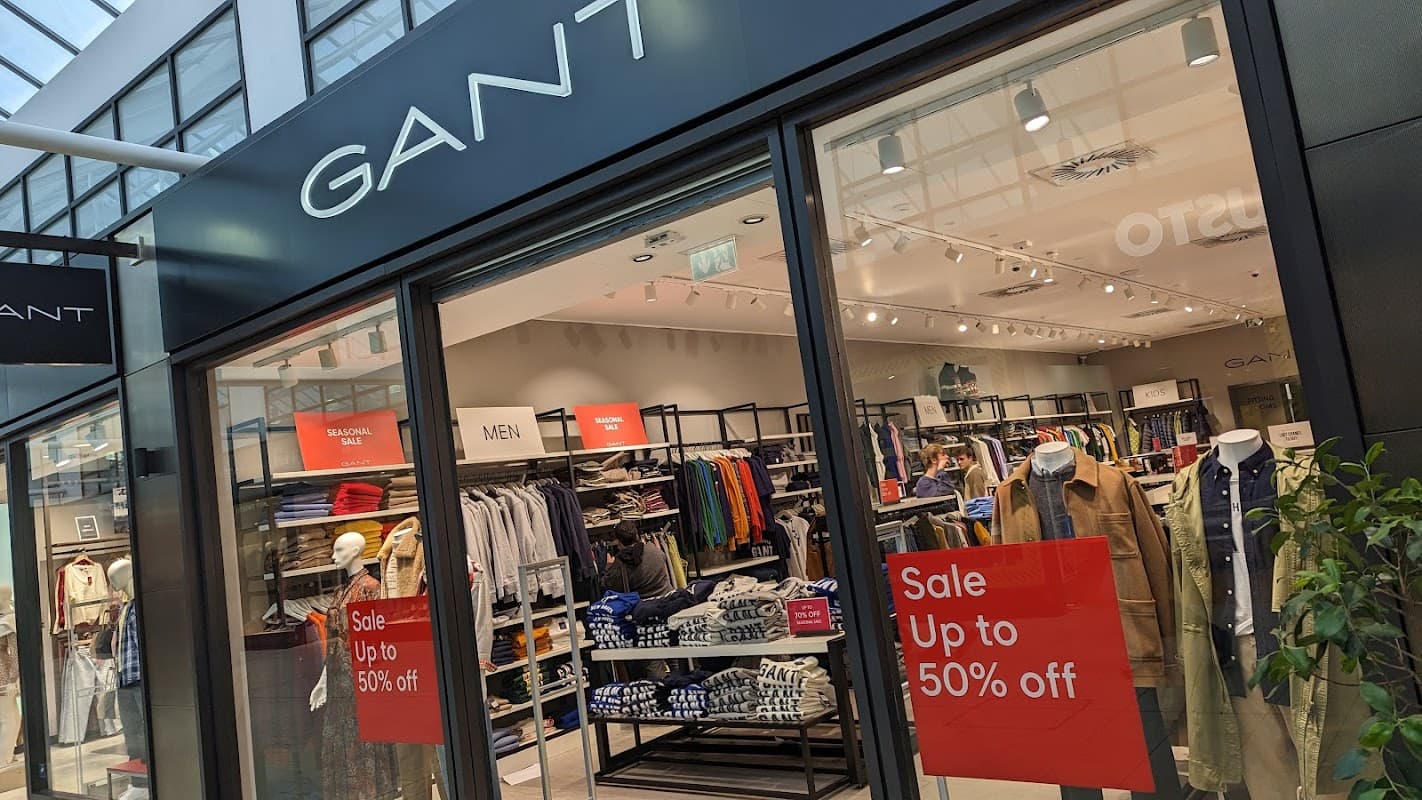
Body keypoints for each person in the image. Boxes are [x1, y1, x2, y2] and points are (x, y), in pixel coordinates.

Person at [603, 521, 675, 597]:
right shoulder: (654, 550)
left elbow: (608, 586)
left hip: (643, 604)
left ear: (619, 542)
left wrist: (608, 566)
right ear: (637, 535)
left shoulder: (620, 563)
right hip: (667, 598)